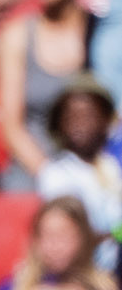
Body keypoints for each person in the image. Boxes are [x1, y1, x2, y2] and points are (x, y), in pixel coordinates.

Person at [0, 0, 95, 189]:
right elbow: (12, 127)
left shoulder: (100, 33)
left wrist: (97, 177)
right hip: (33, 170)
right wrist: (50, 174)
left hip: (95, 169)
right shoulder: (17, 35)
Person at [37, 76, 122, 266]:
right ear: (59, 124)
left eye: (88, 116)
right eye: (71, 118)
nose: (79, 125)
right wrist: (116, 234)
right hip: (79, 271)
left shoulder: (110, 166)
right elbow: (70, 235)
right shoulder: (56, 173)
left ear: (106, 121)